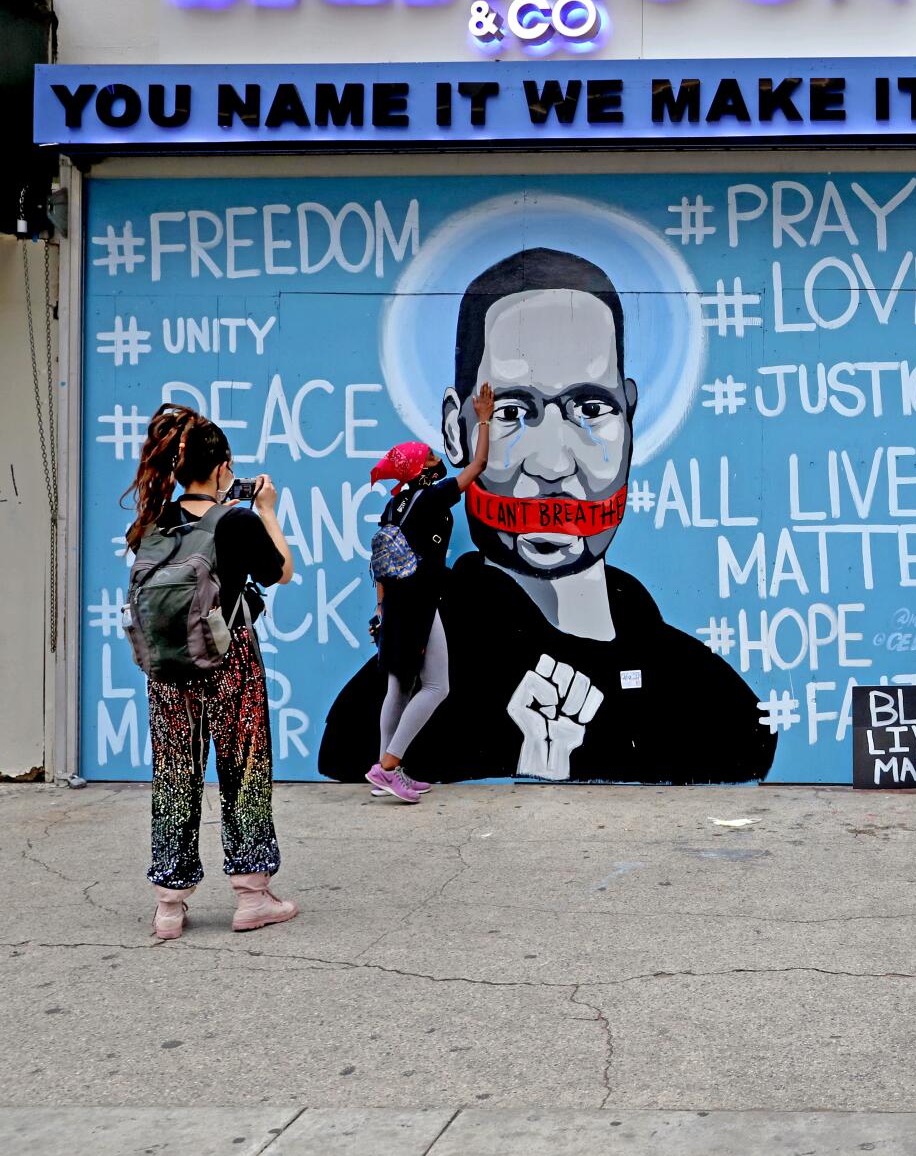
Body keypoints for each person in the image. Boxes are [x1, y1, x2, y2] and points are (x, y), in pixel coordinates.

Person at [320, 247, 773, 784]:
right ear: (452, 429)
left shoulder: (712, 698)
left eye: (590, 408)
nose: (553, 464)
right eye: (512, 412)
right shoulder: (376, 703)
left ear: (630, 417)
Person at [123, 405, 297, 939]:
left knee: (176, 773)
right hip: (230, 659)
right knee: (244, 769)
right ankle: (251, 896)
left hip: (169, 667)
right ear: (222, 467)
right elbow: (282, 572)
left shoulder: (153, 523)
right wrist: (266, 508)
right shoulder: (237, 519)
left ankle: (169, 905)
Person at [363, 381, 495, 803]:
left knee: (399, 688)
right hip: (417, 606)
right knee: (437, 686)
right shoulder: (429, 496)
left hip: (397, 607)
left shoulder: (394, 504)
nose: (438, 458)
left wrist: (381, 612)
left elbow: (379, 565)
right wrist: (486, 419)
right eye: (432, 457)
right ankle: (388, 766)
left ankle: (385, 770)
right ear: (421, 470)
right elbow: (477, 467)